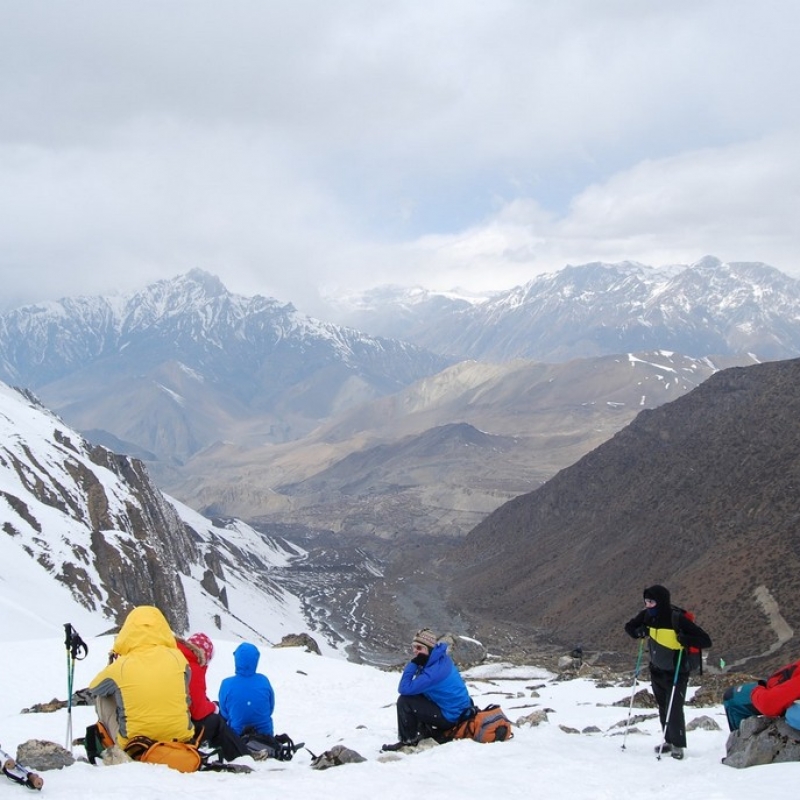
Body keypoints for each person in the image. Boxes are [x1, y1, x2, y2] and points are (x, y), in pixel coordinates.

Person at [624, 585, 712, 760]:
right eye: (646, 601)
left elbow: (705, 640)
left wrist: (685, 639)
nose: (648, 605)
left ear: (661, 601)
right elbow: (629, 627)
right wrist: (637, 632)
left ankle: (678, 745)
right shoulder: (647, 616)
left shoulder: (676, 619)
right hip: (657, 669)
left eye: (651, 601)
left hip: (677, 671)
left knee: (674, 707)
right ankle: (668, 740)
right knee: (663, 705)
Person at [89, 606, 194, 750]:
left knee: (103, 698)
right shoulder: (179, 659)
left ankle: (114, 747)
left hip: (134, 744)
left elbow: (94, 688)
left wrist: (114, 660)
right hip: (180, 738)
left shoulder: (121, 666)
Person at [382, 628, 474, 751]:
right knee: (418, 695)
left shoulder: (433, 673)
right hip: (459, 712)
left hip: (451, 717)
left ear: (429, 649)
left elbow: (404, 688)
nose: (415, 651)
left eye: (419, 648)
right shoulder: (440, 659)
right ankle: (423, 731)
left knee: (405, 701)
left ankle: (408, 741)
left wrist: (413, 664)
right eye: (413, 647)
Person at [176, 632, 249, 761]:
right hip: (180, 725)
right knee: (216, 721)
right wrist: (214, 708)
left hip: (168, 718)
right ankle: (242, 755)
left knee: (214, 709)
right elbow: (198, 711)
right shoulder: (193, 667)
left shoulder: (176, 660)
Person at [723, 658, 800, 731]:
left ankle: (739, 742)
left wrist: (759, 688)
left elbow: (768, 704)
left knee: (731, 698)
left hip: (771, 692)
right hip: (780, 687)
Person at [218, 642, 276, 737]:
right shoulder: (263, 680)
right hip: (266, 736)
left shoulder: (226, 684)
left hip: (237, 737)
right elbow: (270, 707)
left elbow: (224, 713)